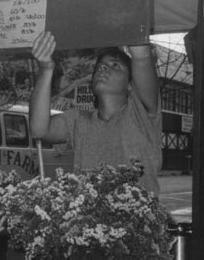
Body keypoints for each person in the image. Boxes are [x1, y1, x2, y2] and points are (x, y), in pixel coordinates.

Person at [29, 30, 162, 195]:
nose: (103, 68)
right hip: (89, 219)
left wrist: (129, 20)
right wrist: (45, 70)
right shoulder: (79, 120)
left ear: (130, 84)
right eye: (100, 66)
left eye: (115, 65)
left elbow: (142, 57)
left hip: (139, 219)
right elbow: (38, 129)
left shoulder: (140, 113)